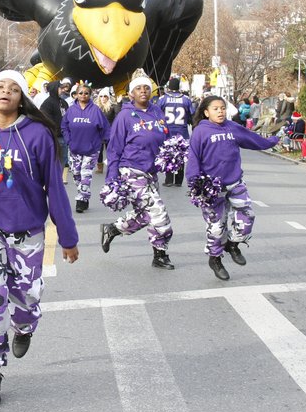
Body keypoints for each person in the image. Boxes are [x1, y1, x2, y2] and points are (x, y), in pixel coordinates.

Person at [0, 70, 78, 407]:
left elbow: (54, 187)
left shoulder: (37, 135)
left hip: (27, 229)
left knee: (25, 298)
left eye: (13, 88)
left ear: (21, 97)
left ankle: (24, 327)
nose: (5, 92)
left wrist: (67, 237)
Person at [186, 95, 279, 281]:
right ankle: (215, 259)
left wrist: (272, 141)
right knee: (216, 228)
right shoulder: (200, 132)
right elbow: (193, 158)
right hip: (211, 188)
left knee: (248, 216)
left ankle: (233, 244)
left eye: (222, 108)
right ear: (206, 112)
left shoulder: (232, 127)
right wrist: (194, 182)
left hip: (235, 183)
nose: (220, 111)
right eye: (215, 109)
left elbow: (252, 139)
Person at [99, 73, 175, 270]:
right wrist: (111, 178)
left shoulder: (157, 111)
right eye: (138, 88)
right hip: (131, 171)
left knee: (146, 214)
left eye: (146, 87)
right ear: (131, 94)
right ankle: (160, 254)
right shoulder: (125, 116)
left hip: (151, 172)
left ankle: (113, 229)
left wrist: (171, 155)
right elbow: (114, 148)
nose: (143, 91)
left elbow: (166, 137)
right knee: (159, 213)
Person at [60, 82, 110, 213]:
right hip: (74, 149)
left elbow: (105, 129)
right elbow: (64, 127)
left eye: (86, 93)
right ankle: (84, 195)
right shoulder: (71, 110)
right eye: (80, 93)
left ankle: (81, 200)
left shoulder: (96, 110)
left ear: (90, 95)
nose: (83, 95)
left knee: (85, 175)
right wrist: (68, 140)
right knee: (76, 175)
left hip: (91, 150)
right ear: (76, 94)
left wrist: (101, 143)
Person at [156, 77, 195, 186]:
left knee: (168, 155)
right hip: (182, 132)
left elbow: (156, 113)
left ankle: (169, 180)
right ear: (179, 87)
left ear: (169, 86)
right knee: (180, 155)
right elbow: (192, 114)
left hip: (167, 132)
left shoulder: (163, 99)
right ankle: (178, 181)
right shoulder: (186, 99)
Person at [39, 80, 69, 183]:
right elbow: (45, 120)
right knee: (53, 161)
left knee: (63, 159)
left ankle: (57, 180)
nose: (62, 89)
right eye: (60, 88)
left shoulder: (63, 102)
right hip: (54, 137)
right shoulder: (47, 103)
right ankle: (51, 181)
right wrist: (55, 132)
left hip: (64, 137)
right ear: (54, 89)